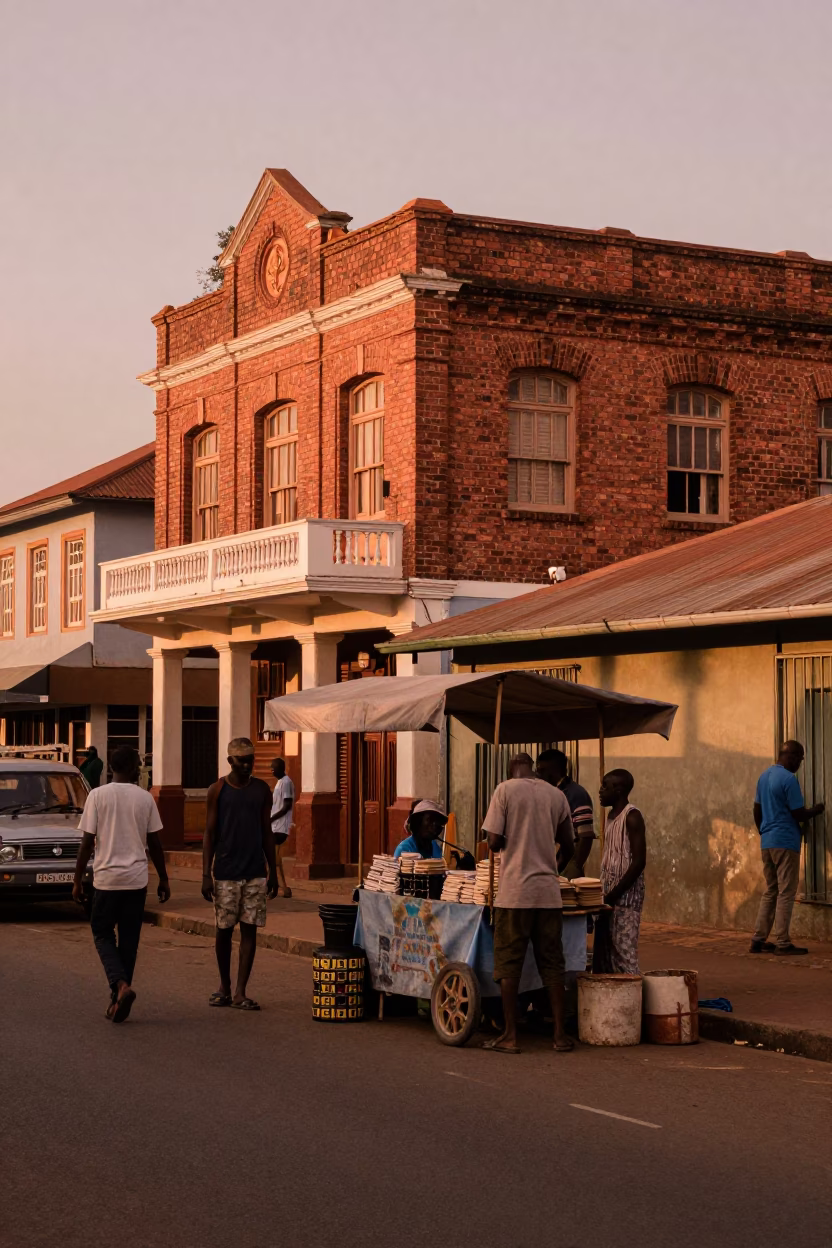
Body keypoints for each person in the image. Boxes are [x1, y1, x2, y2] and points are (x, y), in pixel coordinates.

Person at [482, 753, 575, 1055]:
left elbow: (494, 841)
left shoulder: (504, 790)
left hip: (515, 894)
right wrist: (551, 868)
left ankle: (510, 1035)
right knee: (552, 963)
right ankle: (560, 1035)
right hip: (548, 894)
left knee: (509, 964)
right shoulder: (556, 794)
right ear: (533, 769)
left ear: (512, 769)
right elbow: (569, 844)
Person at [72, 745, 170, 1023]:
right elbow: (155, 843)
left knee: (102, 933)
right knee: (129, 941)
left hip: (106, 880)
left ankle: (120, 986)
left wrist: (77, 880)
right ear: (128, 767)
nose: (140, 769)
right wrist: (163, 878)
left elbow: (87, 842)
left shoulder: (97, 796)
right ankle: (118, 998)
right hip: (136, 881)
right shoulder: (145, 798)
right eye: (138, 764)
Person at [202, 737, 278, 1010]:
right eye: (241, 761)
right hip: (225, 872)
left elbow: (267, 832)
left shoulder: (261, 790)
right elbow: (209, 834)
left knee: (250, 931)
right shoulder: (217, 790)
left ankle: (240, 992)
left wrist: (274, 872)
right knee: (224, 930)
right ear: (230, 761)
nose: (247, 765)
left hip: (255, 872)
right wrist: (205, 874)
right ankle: (224, 985)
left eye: (250, 760)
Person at [750, 740, 824, 956]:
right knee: (786, 891)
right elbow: (798, 814)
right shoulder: (789, 779)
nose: (800, 764)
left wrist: (764, 832)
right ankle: (782, 942)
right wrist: (817, 810)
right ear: (791, 756)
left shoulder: (764, 777)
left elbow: (757, 810)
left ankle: (758, 939)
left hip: (768, 842)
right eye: (800, 759)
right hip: (785, 841)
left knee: (771, 890)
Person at [592, 769, 646, 975]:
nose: (600, 790)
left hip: (625, 898)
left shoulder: (632, 816)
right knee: (605, 952)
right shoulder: (611, 816)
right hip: (608, 895)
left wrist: (614, 894)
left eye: (605, 786)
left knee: (624, 952)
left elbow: (639, 861)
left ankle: (634, 998)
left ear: (619, 789)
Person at [536, 748, 596, 878]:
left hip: (564, 869)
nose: (537, 774)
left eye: (541, 770)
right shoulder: (548, 792)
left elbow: (585, 836)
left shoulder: (576, 794)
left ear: (553, 771)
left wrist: (574, 866)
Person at [269, 757, 294, 899]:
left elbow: (286, 806)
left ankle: (274, 886)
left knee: (272, 857)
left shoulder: (286, 782)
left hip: (281, 827)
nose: (271, 769)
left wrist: (271, 818)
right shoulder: (279, 782)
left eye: (274, 766)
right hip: (274, 826)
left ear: (281, 767)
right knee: (274, 858)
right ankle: (283, 887)